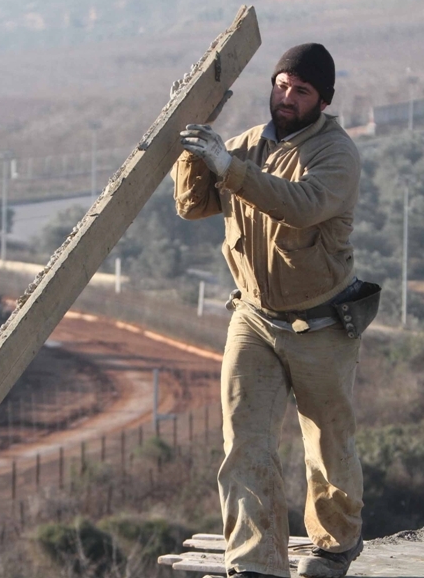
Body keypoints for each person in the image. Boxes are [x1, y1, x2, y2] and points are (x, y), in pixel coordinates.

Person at [174, 43, 364, 578]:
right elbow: (192, 206)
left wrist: (228, 167)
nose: (287, 96)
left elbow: (300, 206)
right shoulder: (245, 147)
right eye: (282, 84)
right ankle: (255, 563)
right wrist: (192, 144)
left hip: (321, 320)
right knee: (245, 441)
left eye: (301, 90)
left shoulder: (336, 154)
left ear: (322, 100)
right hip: (254, 317)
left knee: (327, 441)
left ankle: (333, 546)